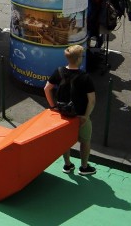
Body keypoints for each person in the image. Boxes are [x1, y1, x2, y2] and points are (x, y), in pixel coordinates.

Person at [44, 45, 96, 175]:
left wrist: (53, 107)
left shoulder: (59, 71)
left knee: (65, 141)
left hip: (63, 114)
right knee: (85, 141)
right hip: (79, 115)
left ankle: (67, 165)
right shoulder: (85, 77)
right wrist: (85, 116)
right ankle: (84, 167)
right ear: (78, 59)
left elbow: (47, 89)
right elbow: (92, 100)